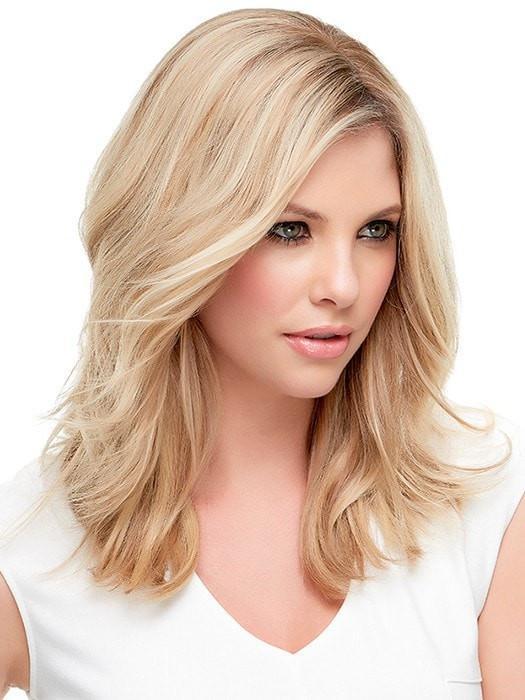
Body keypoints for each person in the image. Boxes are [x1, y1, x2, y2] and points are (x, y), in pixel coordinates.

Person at [1, 8, 524, 699]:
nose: (343, 285)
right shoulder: (32, 551)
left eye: (375, 230)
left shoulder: (484, 505)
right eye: (289, 229)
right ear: (181, 232)